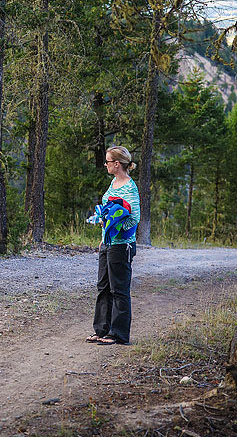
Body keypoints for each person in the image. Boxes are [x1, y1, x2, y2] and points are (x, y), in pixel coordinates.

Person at [87, 145, 140, 345]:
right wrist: (104, 232)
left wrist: (115, 231)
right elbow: (109, 212)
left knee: (119, 288)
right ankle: (101, 330)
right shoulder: (114, 183)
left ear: (117, 164)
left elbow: (134, 218)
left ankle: (118, 335)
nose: (106, 164)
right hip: (107, 244)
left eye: (108, 161)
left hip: (122, 245)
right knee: (103, 286)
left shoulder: (129, 186)